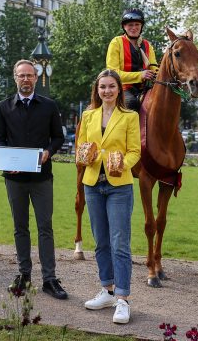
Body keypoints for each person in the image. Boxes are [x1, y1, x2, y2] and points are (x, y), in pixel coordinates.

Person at [0, 59, 67, 300]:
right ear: (15, 77)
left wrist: (49, 151)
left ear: (36, 78)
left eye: (30, 75)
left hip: (41, 177)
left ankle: (49, 278)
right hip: (14, 179)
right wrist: (6, 161)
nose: (26, 79)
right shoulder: (3, 107)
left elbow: (58, 137)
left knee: (45, 227)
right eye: (21, 75)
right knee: (20, 227)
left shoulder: (48, 106)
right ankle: (24, 274)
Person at [78, 69, 140, 324]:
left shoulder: (130, 116)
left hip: (118, 187)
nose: (107, 91)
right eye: (103, 87)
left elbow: (135, 151)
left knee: (120, 244)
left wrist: (121, 163)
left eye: (111, 86)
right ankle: (107, 290)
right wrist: (85, 155)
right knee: (101, 242)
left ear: (119, 89)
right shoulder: (88, 115)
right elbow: (81, 146)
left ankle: (123, 299)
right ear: (97, 90)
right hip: (92, 184)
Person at [105, 8, 158, 111]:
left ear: (141, 26)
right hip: (122, 89)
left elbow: (154, 67)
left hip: (144, 89)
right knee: (132, 103)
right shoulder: (116, 42)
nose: (134, 27)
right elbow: (113, 73)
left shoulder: (147, 45)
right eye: (130, 25)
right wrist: (140, 75)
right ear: (124, 27)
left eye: (137, 25)